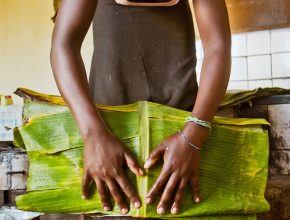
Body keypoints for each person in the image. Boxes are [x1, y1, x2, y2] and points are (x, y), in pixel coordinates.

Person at [50, 0, 231, 215]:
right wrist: (93, 133)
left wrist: (194, 134)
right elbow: (64, 44)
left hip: (184, 127)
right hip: (108, 131)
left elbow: (218, 47)